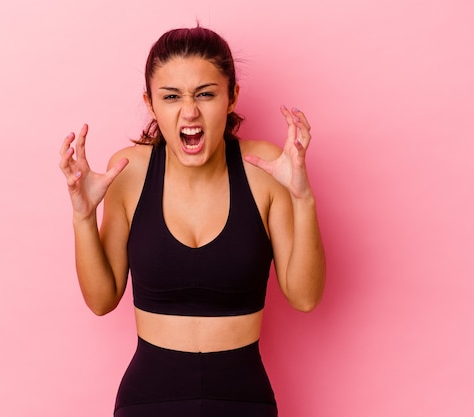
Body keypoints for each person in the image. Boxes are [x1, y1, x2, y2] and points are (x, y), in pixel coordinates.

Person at [59, 25, 325, 417]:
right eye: (171, 96)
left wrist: (303, 199)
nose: (190, 111)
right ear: (150, 104)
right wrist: (83, 215)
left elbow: (305, 297)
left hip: (244, 401)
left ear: (232, 96)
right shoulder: (128, 171)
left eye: (206, 94)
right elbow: (101, 300)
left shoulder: (264, 168)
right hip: (148, 402)